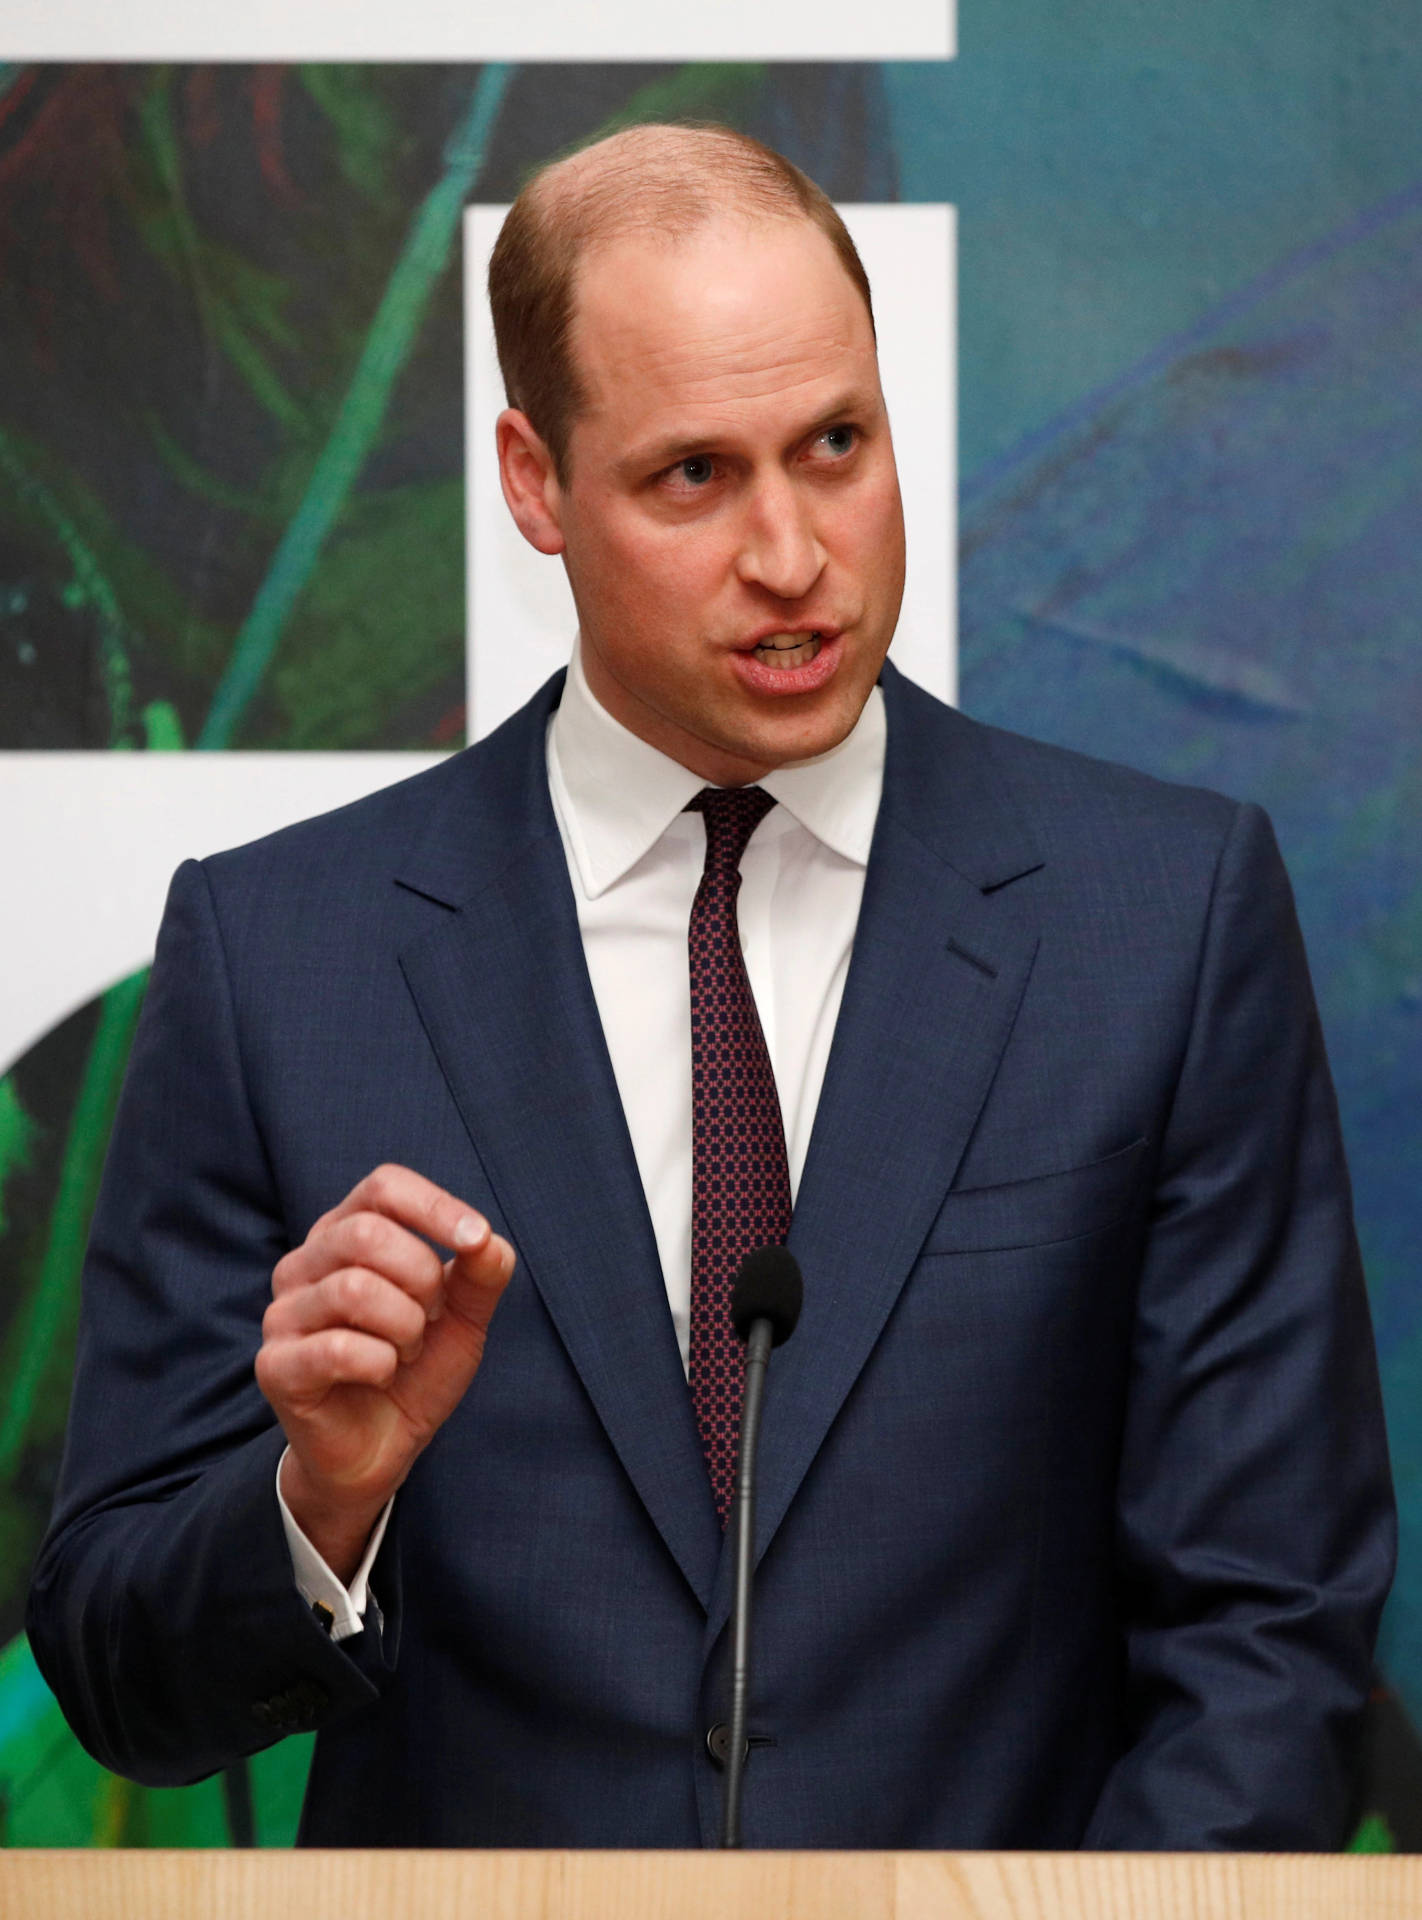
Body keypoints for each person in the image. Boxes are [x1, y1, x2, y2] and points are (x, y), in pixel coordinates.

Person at [28, 124, 1394, 1850]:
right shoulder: (279, 954)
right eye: (693, 476)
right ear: (536, 481)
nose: (791, 553)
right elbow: (117, 1668)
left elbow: (1267, 1627)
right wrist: (325, 1496)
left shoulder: (1163, 918)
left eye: (836, 444)